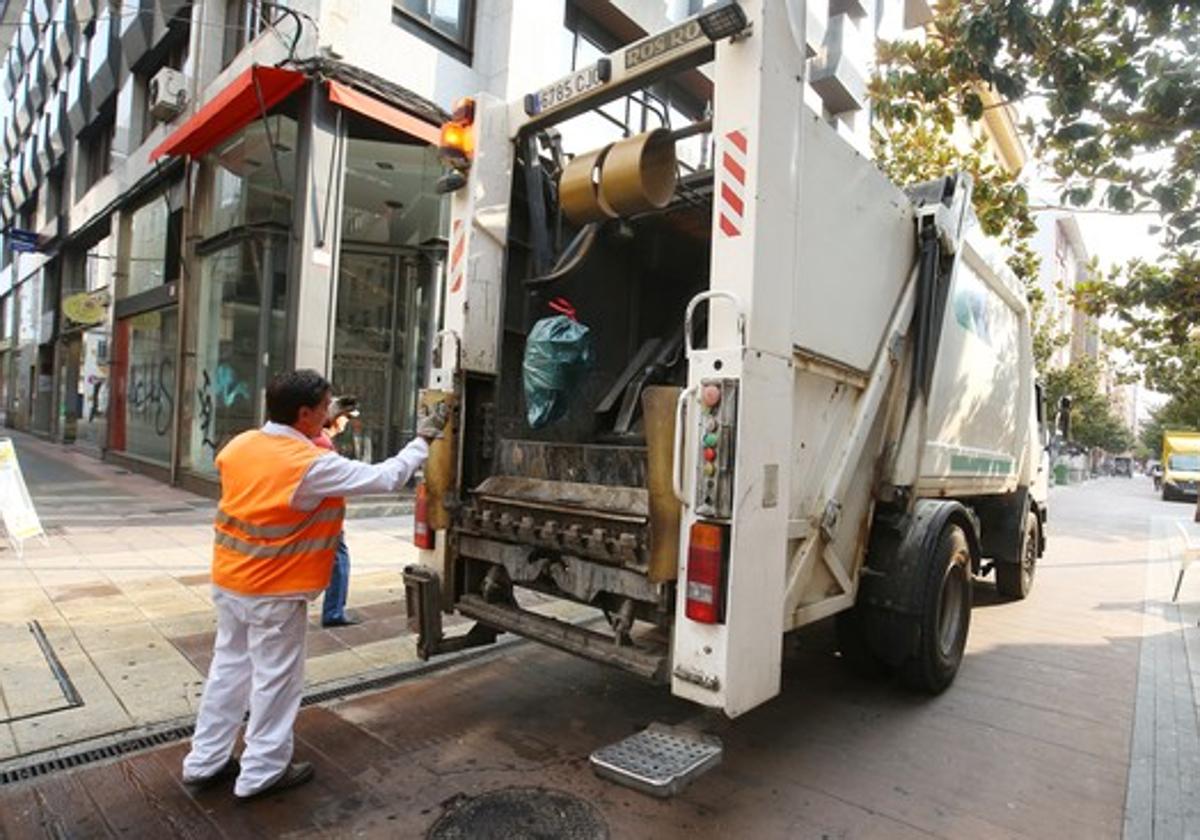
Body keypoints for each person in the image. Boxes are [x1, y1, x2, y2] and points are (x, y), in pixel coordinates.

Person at [180, 369, 445, 800]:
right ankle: (262, 772)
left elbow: (283, 463)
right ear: (304, 414)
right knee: (275, 681)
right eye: (323, 408)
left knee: (227, 672)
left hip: (231, 581)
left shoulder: (241, 445)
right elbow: (386, 478)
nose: (329, 413)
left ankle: (204, 761)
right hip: (275, 590)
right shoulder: (308, 466)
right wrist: (424, 440)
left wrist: (320, 428)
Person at [317, 397, 358, 627]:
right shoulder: (322, 444)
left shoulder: (320, 440)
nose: (346, 423)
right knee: (339, 561)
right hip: (326, 518)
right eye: (345, 417)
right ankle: (333, 612)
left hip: (325, 516)